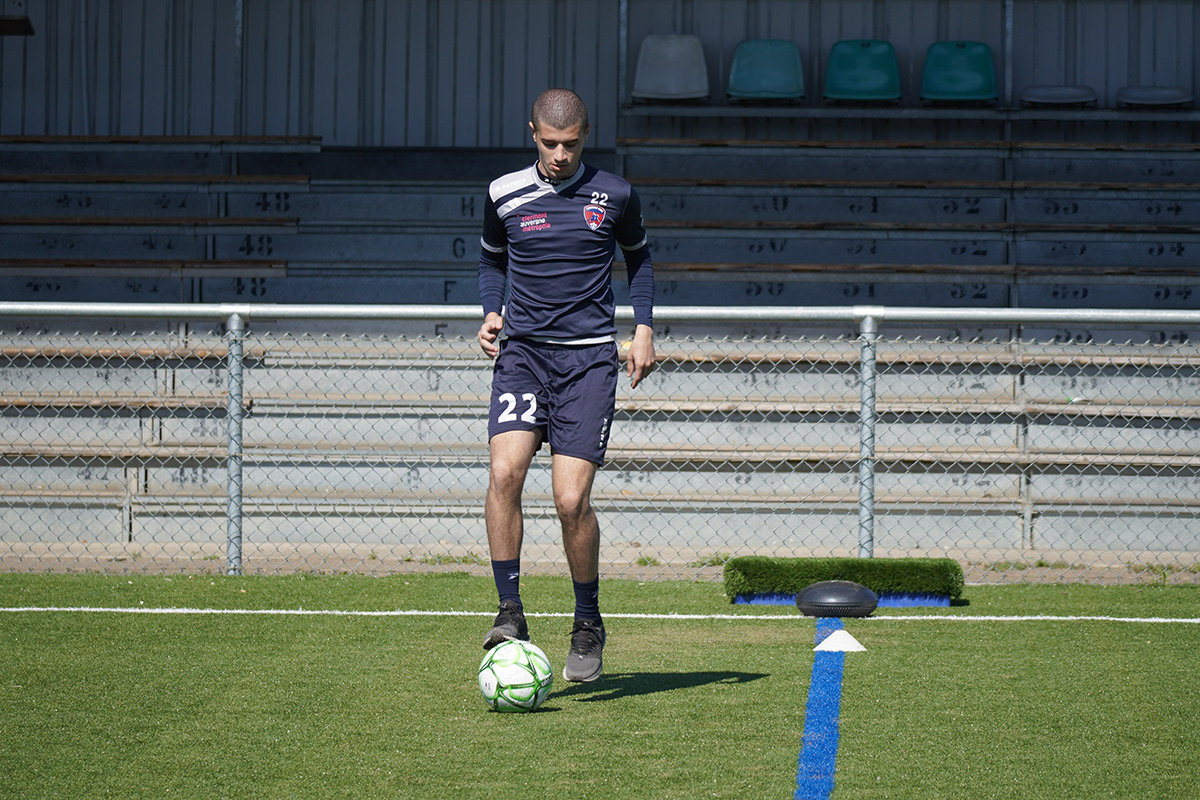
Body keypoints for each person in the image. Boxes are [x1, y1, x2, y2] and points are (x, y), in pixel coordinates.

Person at [476, 88, 655, 683]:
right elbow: (491, 259)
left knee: (570, 500)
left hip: (586, 364)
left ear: (586, 135)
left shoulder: (615, 194)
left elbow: (641, 259)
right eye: (550, 143)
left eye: (570, 144)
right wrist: (490, 310)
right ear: (532, 132)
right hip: (522, 356)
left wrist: (645, 327)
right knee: (504, 474)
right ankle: (509, 611)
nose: (559, 155)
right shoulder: (503, 193)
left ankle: (587, 621)